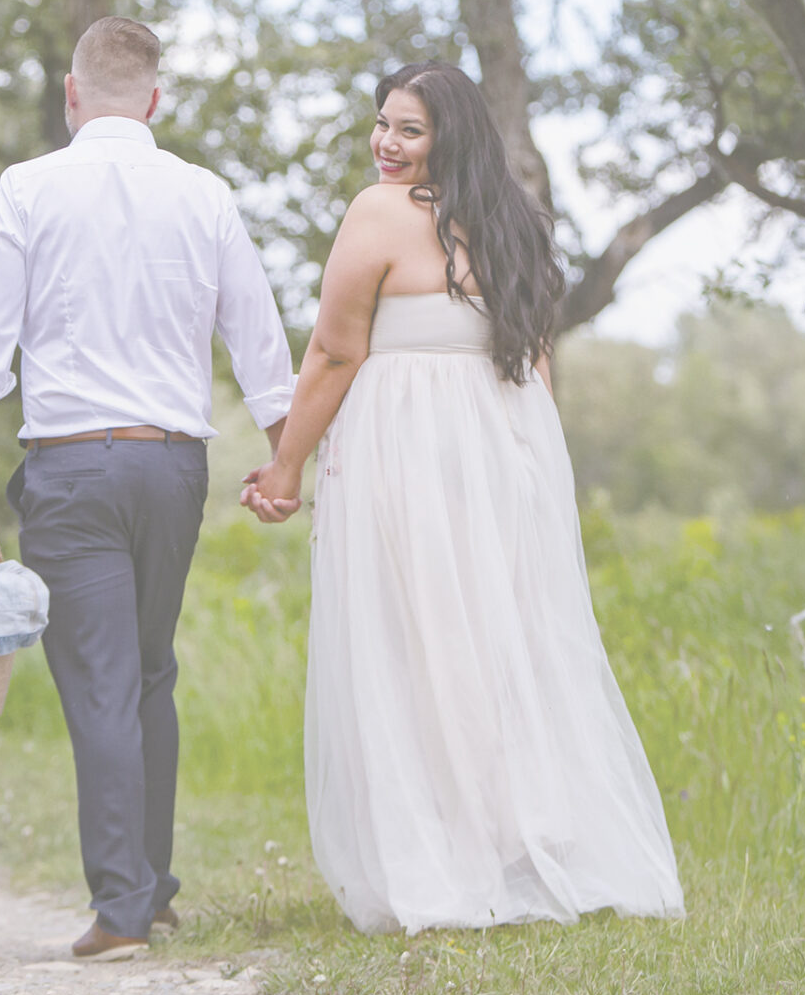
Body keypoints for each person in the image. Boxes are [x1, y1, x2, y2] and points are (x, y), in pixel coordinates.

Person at [241, 61, 684, 934]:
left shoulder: (378, 214)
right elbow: (535, 359)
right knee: (491, 638)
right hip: (502, 448)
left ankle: (448, 854)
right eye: (382, 123)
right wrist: (536, 468)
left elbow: (332, 354)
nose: (387, 143)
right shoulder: (514, 221)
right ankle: (505, 839)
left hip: (409, 450)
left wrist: (285, 464)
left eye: (410, 129)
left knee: (413, 641)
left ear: (450, 135)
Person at [0, 16, 295, 961]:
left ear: (71, 93)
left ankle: (123, 908)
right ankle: (155, 885)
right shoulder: (205, 191)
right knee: (147, 670)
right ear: (154, 99)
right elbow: (255, 328)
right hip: (175, 465)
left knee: (101, 681)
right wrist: (284, 452)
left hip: (72, 467)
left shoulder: (27, 187)